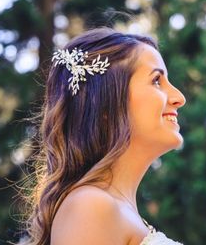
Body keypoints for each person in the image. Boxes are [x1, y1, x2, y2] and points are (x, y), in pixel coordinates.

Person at [25, 28, 185, 245]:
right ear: (107, 104)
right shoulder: (90, 206)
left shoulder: (115, 210)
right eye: (156, 80)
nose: (179, 97)